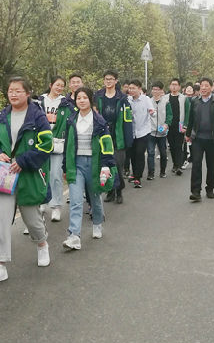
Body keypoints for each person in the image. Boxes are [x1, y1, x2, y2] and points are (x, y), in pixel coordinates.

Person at [0, 76, 54, 286]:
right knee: (1, 221)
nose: (13, 94)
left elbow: (46, 144)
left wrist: (24, 160)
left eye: (18, 91)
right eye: (10, 91)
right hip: (5, 175)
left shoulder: (37, 117)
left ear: (28, 93)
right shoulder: (1, 116)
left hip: (28, 175)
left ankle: (42, 244)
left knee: (32, 219)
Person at [62, 87, 116, 250]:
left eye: (85, 97)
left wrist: (106, 165)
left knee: (95, 198)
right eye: (79, 98)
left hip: (94, 164)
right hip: (76, 164)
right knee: (76, 201)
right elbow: (67, 146)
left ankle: (97, 223)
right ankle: (74, 236)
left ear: (90, 99)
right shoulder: (71, 120)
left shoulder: (99, 121)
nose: (81, 100)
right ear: (75, 101)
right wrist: (65, 166)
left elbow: (107, 145)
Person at [185, 77, 214, 201]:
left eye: (206, 85)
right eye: (202, 86)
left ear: (211, 87)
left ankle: (210, 188)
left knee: (211, 164)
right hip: (198, 138)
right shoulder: (195, 101)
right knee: (196, 164)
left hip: (212, 138)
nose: (203, 88)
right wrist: (188, 135)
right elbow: (191, 119)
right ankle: (196, 191)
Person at [38, 76, 74, 222]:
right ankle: (41, 202)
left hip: (58, 144)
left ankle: (56, 206)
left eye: (62, 86)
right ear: (50, 85)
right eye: (57, 85)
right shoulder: (40, 101)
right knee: (40, 175)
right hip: (40, 143)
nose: (59, 88)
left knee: (56, 175)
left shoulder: (65, 104)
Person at [95, 70, 133, 204]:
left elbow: (128, 120)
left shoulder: (122, 98)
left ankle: (119, 190)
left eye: (111, 79)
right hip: (103, 135)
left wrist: (129, 139)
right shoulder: (98, 96)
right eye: (106, 79)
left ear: (116, 81)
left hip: (118, 136)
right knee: (105, 165)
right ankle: (110, 191)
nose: (108, 81)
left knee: (117, 164)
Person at [128, 80, 154, 189]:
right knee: (133, 154)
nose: (131, 90)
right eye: (130, 88)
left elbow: (152, 110)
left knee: (139, 153)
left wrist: (152, 112)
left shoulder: (146, 99)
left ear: (139, 88)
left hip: (144, 131)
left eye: (133, 88)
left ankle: (138, 178)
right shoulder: (127, 100)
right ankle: (134, 173)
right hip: (131, 131)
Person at [164, 78, 189, 175]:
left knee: (179, 146)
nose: (174, 86)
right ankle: (175, 163)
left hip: (179, 124)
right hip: (169, 125)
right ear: (170, 86)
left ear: (179, 87)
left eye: (176, 84)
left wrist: (185, 126)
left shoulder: (184, 98)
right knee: (172, 146)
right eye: (172, 84)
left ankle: (178, 166)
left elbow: (187, 112)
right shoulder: (165, 98)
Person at [147, 82, 169, 179]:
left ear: (161, 91)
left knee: (163, 153)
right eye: (154, 89)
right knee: (150, 153)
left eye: (157, 89)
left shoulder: (166, 102)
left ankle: (162, 172)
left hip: (162, 133)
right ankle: (151, 173)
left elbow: (170, 115)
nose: (155, 91)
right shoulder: (148, 102)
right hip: (151, 132)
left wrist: (166, 125)